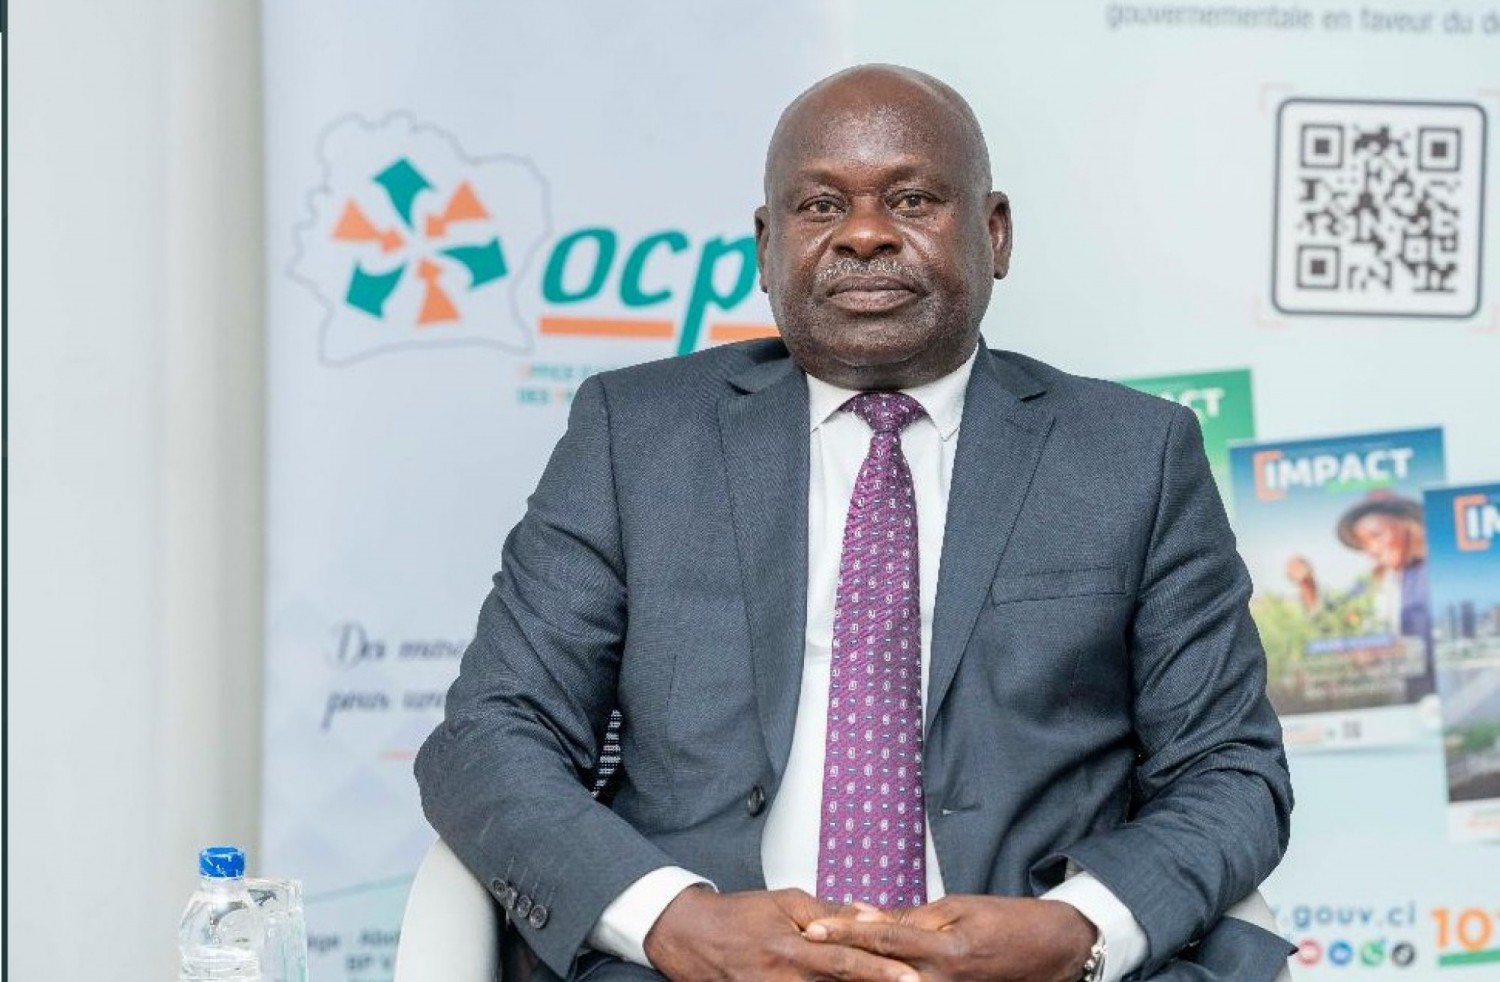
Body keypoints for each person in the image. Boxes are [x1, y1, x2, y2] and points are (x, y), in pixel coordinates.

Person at [416, 64, 1294, 982]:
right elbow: (490, 738)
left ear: (994, 232)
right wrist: (674, 922)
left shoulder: (1133, 455)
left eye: (911, 200)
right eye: (821, 206)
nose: (865, 234)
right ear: (767, 247)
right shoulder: (634, 437)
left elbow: (1229, 770)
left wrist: (1077, 931)